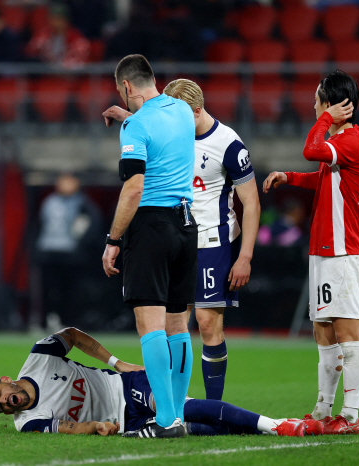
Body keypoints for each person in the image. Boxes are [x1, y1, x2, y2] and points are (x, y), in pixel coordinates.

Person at [102, 78, 260, 402]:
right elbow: (151, 118)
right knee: (175, 324)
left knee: (206, 322)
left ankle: (213, 406)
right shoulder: (174, 131)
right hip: (180, 237)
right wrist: (126, 115)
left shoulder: (228, 144)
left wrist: (245, 256)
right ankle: (177, 404)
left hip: (215, 241)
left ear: (197, 110)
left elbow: (252, 202)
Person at [262, 70, 359, 435]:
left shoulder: (353, 140)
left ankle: (350, 417)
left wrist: (327, 119)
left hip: (341, 251)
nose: (313, 106)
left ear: (334, 104)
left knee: (348, 331)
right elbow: (322, 175)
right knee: (323, 331)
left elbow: (311, 149)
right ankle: (324, 410)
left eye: (318, 100)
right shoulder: (341, 144)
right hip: (323, 250)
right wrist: (289, 177)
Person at [0, 327, 323, 438]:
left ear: (6, 380)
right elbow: (64, 428)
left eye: (0, 394)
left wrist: (116, 362)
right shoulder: (28, 423)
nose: (6, 402)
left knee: (179, 408)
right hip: (125, 424)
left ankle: (278, 426)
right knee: (194, 429)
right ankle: (269, 430)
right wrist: (95, 425)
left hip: (125, 386)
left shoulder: (39, 358)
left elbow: (73, 336)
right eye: (1, 407)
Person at [100, 55, 197, 438]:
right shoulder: (183, 112)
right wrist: (129, 116)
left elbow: (134, 187)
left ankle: (166, 420)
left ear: (125, 86)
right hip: (186, 225)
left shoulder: (136, 126)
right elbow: (159, 124)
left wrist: (113, 240)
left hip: (151, 226)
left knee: (150, 325)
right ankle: (177, 413)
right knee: (179, 325)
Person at [34, 173, 103, 328]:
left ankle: (68, 321)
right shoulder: (49, 202)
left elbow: (93, 226)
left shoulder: (83, 203)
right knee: (48, 290)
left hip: (71, 254)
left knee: (70, 290)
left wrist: (81, 246)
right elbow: (39, 225)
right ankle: (46, 320)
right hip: (49, 252)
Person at [25, 3, 90, 66]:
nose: (55, 23)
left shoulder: (76, 37)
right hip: (46, 74)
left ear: (66, 20)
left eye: (58, 19)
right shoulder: (44, 34)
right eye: (53, 19)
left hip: (67, 75)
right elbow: (30, 52)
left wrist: (61, 66)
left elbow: (80, 61)